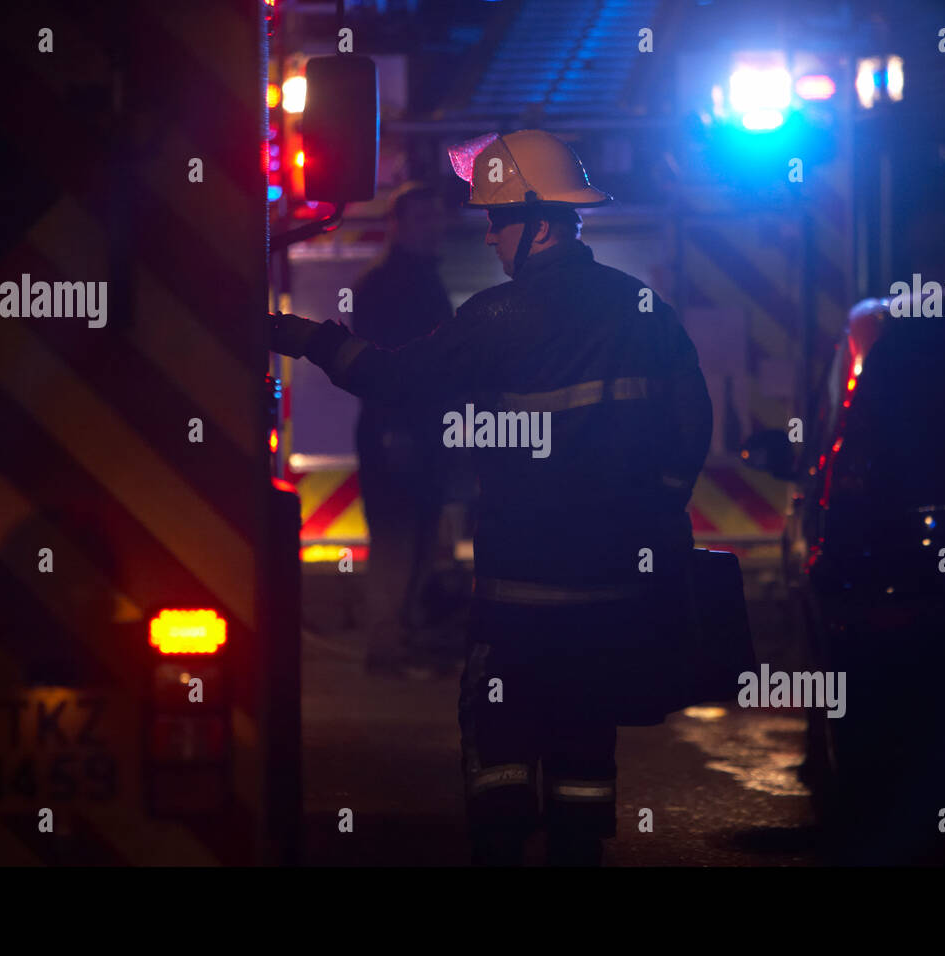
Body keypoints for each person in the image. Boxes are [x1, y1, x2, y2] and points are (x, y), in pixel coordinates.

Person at [272, 130, 713, 866]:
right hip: (606, 595)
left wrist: (312, 340)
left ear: (540, 225)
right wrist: (656, 507)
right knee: (582, 757)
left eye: (498, 218)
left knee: (500, 758)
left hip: (516, 600)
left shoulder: (497, 316)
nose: (488, 232)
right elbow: (691, 421)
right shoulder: (644, 308)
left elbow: (395, 380)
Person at [350, 181, 455, 679]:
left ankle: (405, 639)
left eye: (437, 218)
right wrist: (395, 430)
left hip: (419, 432)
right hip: (397, 432)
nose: (434, 228)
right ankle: (387, 646)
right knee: (396, 538)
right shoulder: (386, 286)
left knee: (419, 538)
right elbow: (379, 368)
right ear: (397, 225)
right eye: (422, 220)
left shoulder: (419, 280)